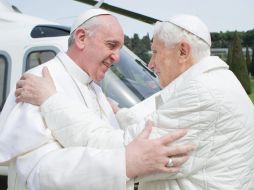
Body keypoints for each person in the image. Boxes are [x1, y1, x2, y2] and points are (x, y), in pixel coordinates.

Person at [15, 14, 254, 190]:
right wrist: (119, 113)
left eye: (156, 52)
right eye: (111, 45)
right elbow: (157, 119)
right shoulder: (216, 82)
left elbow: (120, 149)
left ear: (183, 51)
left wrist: (50, 100)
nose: (150, 64)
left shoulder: (204, 95)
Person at [0, 9, 194, 190]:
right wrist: (125, 163)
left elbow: (104, 140)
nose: (117, 57)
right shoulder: (36, 84)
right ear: (82, 38)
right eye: (111, 45)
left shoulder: (94, 89)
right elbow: (37, 173)